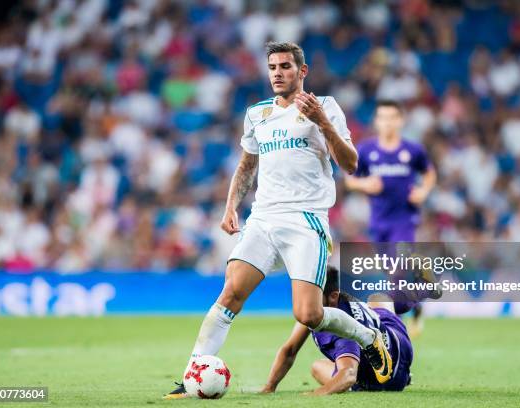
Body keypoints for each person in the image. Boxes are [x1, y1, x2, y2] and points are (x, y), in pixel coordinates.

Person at [165, 42, 390, 399]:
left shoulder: (326, 107)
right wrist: (230, 206)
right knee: (231, 292)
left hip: (306, 220)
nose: (277, 73)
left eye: (285, 66)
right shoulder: (257, 114)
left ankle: (370, 338)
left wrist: (322, 123)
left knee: (309, 314)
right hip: (264, 217)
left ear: (302, 72)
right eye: (272, 67)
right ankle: (191, 375)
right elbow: (246, 165)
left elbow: (351, 164)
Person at [344, 100, 436, 336]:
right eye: (382, 117)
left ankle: (391, 326)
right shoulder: (366, 150)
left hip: (405, 220)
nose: (387, 122)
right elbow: (349, 179)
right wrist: (364, 183)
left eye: (392, 117)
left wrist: (423, 191)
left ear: (400, 120)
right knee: (393, 272)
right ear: (376, 121)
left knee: (398, 270)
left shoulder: (412, 151)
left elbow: (429, 173)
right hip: (379, 223)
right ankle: (419, 298)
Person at [261, 266, 413, 395]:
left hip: (388, 377)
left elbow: (349, 375)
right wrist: (269, 387)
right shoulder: (313, 310)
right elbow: (289, 350)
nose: (304, 300)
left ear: (333, 297)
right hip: (395, 337)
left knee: (320, 368)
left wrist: (317, 394)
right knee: (378, 298)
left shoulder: (344, 330)